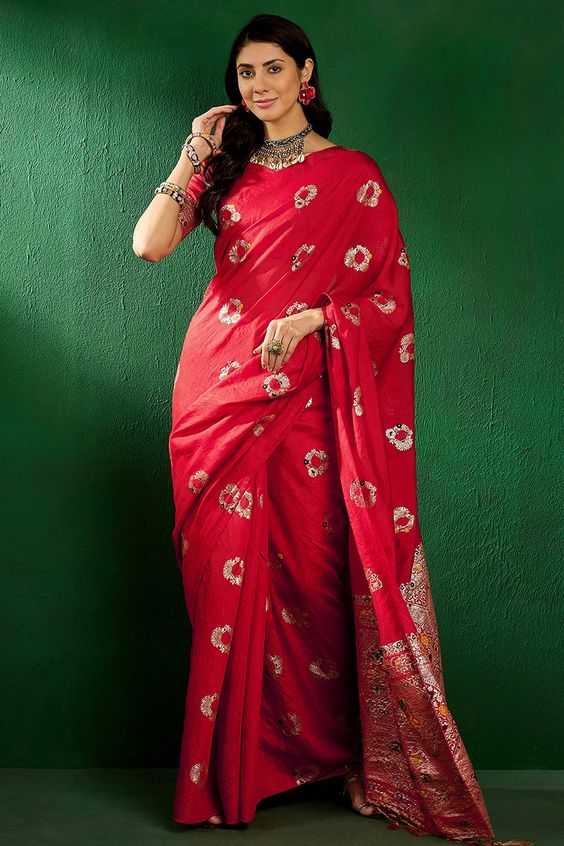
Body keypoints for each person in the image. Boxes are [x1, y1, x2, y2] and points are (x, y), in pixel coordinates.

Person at [132, 13, 533, 846]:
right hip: (216, 393)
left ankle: (351, 761)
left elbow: (388, 302)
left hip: (310, 402)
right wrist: (190, 158)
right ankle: (229, 772)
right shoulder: (226, 172)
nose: (259, 86)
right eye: (245, 74)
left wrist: (318, 318)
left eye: (273, 68)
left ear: (306, 74)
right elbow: (148, 245)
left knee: (318, 583)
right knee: (223, 587)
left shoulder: (355, 178)